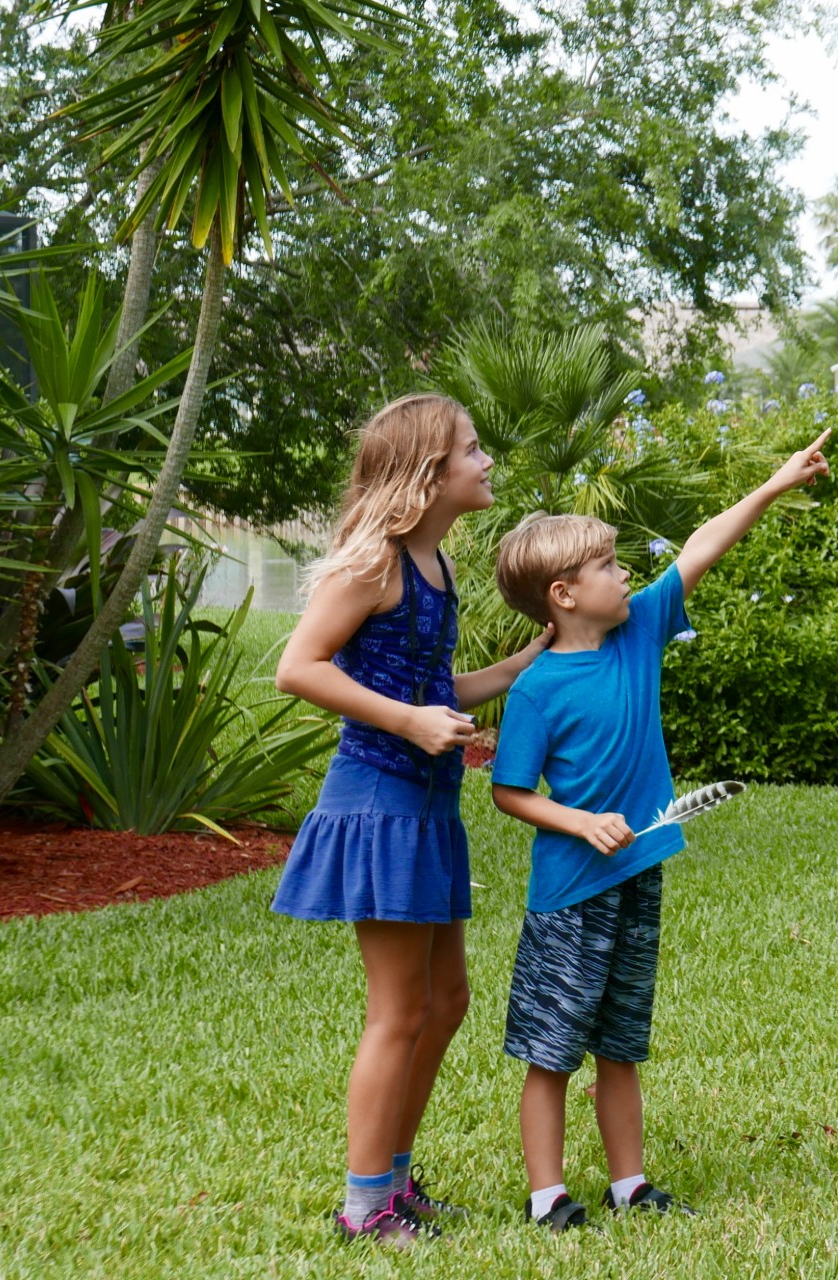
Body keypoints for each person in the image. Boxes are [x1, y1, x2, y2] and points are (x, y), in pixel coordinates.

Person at [489, 429, 831, 1232]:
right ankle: (547, 1197)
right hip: (571, 892)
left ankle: (629, 1183)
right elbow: (508, 792)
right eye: (606, 566)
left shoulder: (640, 628)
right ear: (564, 595)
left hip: (639, 874)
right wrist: (579, 821)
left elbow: (703, 543)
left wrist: (774, 484)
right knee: (552, 1048)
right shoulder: (538, 687)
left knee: (622, 1040)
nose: (625, 573)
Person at [272, 394, 550, 1244]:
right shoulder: (375, 564)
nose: (487, 462)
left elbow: (433, 691)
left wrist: (523, 664)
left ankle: (394, 1180)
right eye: (472, 450)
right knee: (398, 1010)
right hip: (379, 803)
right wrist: (408, 722)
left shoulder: (437, 566)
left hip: (426, 807)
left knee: (447, 999)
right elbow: (298, 668)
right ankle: (365, 1209)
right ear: (429, 474)